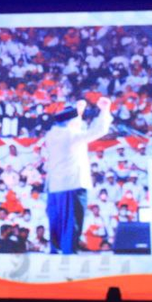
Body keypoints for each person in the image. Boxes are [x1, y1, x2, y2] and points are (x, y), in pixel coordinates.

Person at [42, 98, 113, 254]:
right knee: (72, 222)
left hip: (55, 186)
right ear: (71, 122)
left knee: (57, 222)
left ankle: (57, 251)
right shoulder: (72, 136)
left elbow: (74, 126)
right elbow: (99, 131)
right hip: (73, 185)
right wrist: (104, 110)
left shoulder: (51, 135)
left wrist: (78, 114)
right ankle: (69, 254)